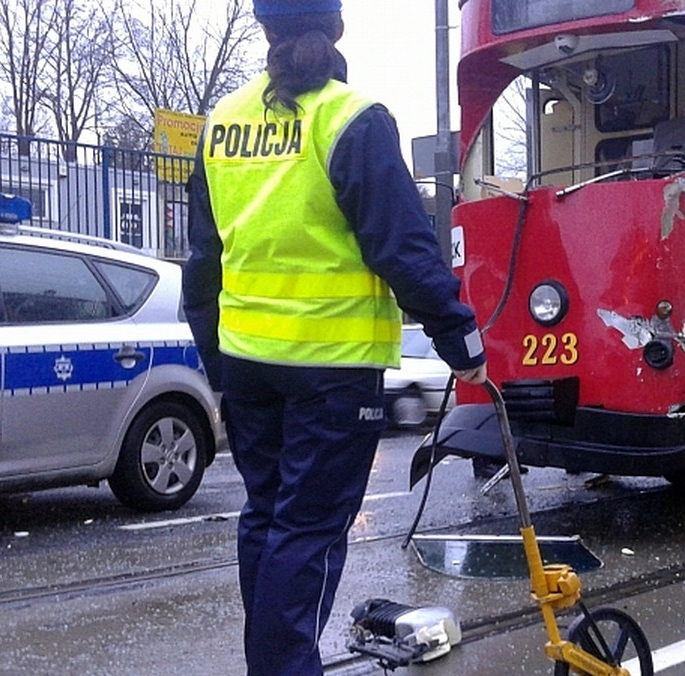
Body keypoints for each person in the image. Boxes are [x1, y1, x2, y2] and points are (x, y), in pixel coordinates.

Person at [180, 1, 486, 673]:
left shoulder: (221, 125)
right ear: (335, 27)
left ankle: (270, 662)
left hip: (249, 364)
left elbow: (202, 261)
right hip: (334, 370)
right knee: (308, 531)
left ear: (266, 30)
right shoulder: (353, 119)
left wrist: (217, 360)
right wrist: (459, 335)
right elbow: (403, 247)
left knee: (267, 519)